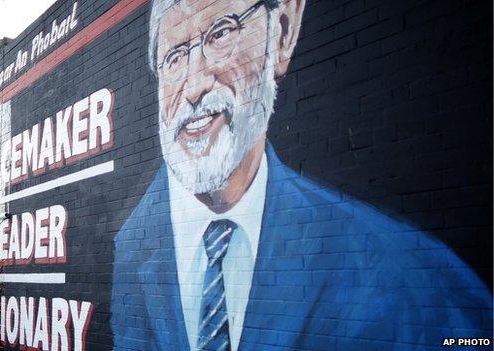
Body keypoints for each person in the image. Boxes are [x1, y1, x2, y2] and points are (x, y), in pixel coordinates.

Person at [111, 0, 492, 350]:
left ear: (283, 31)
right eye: (174, 58)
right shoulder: (128, 247)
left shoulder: (413, 281)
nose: (193, 86)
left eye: (221, 33)